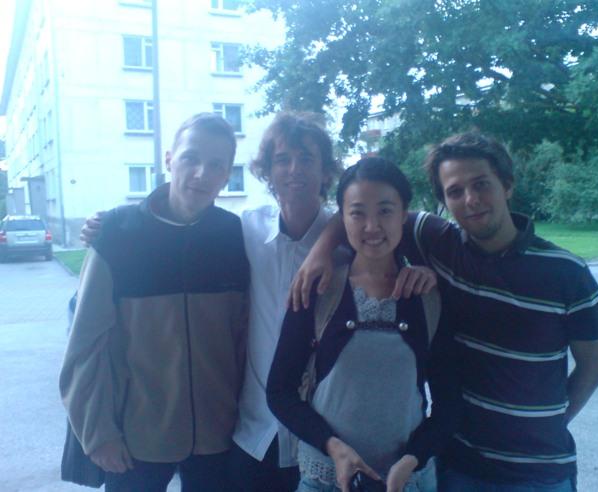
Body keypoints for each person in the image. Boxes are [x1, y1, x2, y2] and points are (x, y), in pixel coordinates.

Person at [79, 112, 437, 492]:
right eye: (282, 159)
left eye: (307, 158)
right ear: (267, 170)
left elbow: (383, 228)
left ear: (326, 170)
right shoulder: (246, 229)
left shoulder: (349, 238)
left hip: (322, 439)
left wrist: (412, 270)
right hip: (252, 433)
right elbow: (180, 223)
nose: (294, 169)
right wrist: (110, 222)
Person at [291, 132, 598, 491]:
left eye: (481, 184)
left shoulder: (566, 271)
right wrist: (320, 251)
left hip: (538, 473)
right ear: (444, 201)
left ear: (507, 185)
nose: (471, 200)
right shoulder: (437, 241)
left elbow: (593, 367)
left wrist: (552, 423)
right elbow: (362, 206)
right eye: (455, 191)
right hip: (457, 463)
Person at [60, 113, 250, 491]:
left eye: (216, 165)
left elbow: (245, 338)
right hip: (135, 438)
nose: (202, 173)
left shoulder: (234, 237)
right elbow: (84, 345)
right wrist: (97, 434)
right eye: (190, 158)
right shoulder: (118, 233)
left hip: (218, 435)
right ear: (168, 159)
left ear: (227, 174)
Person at [267, 157, 442, 492]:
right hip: (325, 479)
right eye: (358, 213)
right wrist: (332, 446)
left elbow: (449, 403)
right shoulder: (317, 289)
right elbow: (280, 392)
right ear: (342, 218)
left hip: (409, 482)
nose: (372, 226)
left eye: (385, 211)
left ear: (403, 214)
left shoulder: (427, 295)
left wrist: (413, 459)